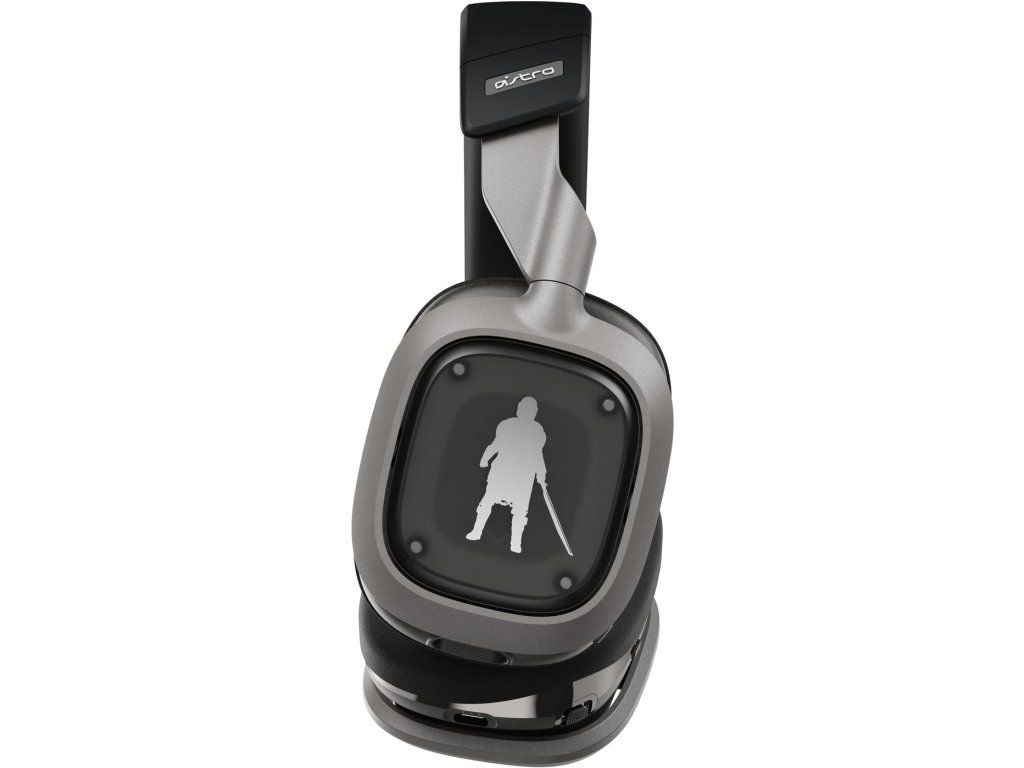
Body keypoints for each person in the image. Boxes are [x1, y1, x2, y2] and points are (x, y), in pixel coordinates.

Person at [466, 396, 547, 553]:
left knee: (520, 512)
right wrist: (485, 458)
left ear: (534, 412)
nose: (525, 411)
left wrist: (541, 475)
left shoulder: (537, 431)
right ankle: (476, 531)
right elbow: (496, 443)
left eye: (530, 409)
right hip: (501, 472)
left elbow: (538, 455)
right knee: (486, 503)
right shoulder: (507, 425)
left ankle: (515, 543)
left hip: (523, 478)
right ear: (519, 408)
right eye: (522, 407)